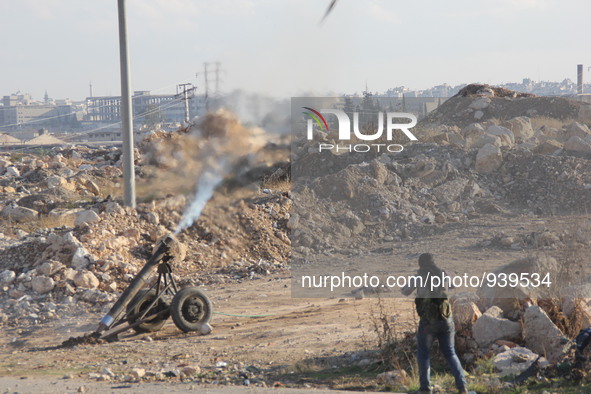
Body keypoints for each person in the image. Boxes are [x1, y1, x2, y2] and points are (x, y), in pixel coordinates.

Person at [401, 253, 468, 394]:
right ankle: (462, 387)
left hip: (428, 323)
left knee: (424, 354)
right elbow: (453, 285)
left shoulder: (419, 277)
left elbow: (405, 291)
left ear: (421, 264)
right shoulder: (443, 273)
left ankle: (425, 389)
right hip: (446, 320)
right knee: (450, 353)